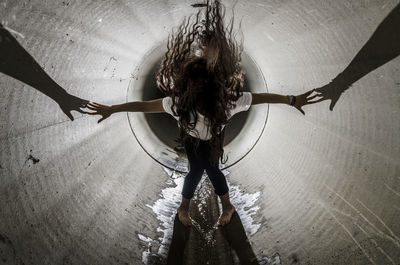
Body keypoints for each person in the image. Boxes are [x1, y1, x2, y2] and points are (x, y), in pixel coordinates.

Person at [85, 0, 320, 227]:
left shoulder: (228, 102)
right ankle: (184, 208)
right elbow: (144, 105)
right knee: (196, 169)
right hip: (191, 136)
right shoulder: (179, 105)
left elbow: (262, 98)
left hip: (216, 135)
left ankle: (227, 207)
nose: (197, 99)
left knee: (211, 168)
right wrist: (112, 109)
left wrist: (293, 100)